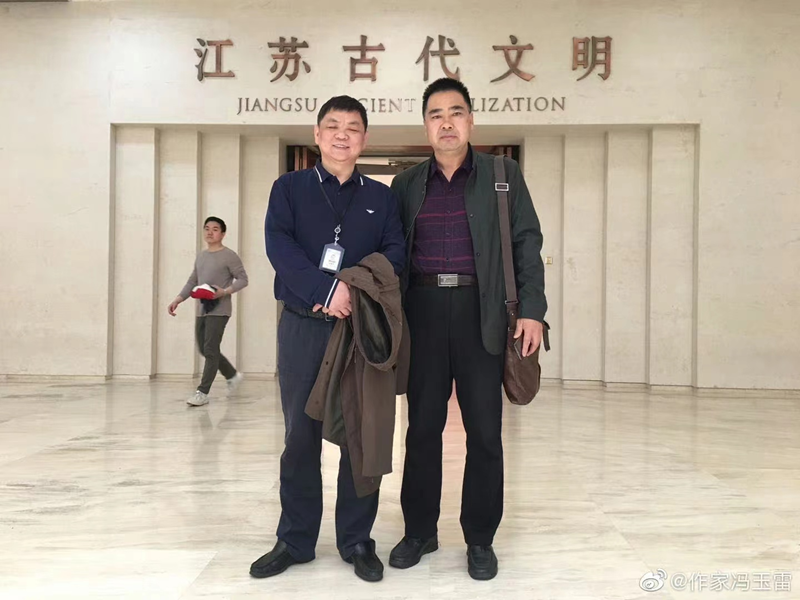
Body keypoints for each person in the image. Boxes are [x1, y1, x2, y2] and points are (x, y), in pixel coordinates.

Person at [388, 78, 547, 581]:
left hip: (483, 312)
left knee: (484, 431)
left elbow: (527, 242)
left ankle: (480, 537)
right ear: (426, 126)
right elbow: (391, 252)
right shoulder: (406, 184)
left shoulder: (503, 174)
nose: (447, 123)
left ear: (471, 121)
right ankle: (420, 531)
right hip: (423, 312)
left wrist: (532, 309)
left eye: (456, 112)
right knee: (421, 428)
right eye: (436, 115)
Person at [251, 96, 405, 583]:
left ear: (364, 139)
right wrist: (323, 291)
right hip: (303, 326)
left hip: (358, 329)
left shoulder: (381, 197)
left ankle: (356, 539)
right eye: (333, 126)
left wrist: (352, 290)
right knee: (300, 436)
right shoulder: (289, 188)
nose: (342, 135)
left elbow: (395, 254)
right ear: (317, 135)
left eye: (353, 128)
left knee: (360, 434)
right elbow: (280, 246)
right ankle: (295, 540)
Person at [167, 216, 248, 407]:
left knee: (210, 349)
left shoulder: (229, 255)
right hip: (202, 308)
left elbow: (243, 279)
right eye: (207, 228)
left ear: (223, 233)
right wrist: (178, 299)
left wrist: (224, 292)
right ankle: (232, 375)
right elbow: (193, 281)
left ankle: (202, 393)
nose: (210, 232)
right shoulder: (202, 256)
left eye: (215, 229)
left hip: (220, 310)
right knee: (204, 349)